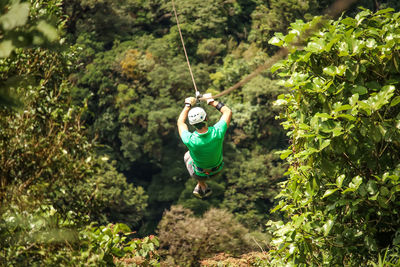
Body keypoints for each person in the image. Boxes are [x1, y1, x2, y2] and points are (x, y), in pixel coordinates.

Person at [177, 93, 232, 198]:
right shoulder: (217, 132)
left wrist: (187, 105)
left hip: (200, 173)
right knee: (195, 156)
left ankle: (201, 184)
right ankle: (201, 185)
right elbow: (227, 111)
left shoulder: (189, 140)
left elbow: (180, 122)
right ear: (206, 118)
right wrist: (211, 101)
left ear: (192, 124)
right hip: (217, 170)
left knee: (187, 155)